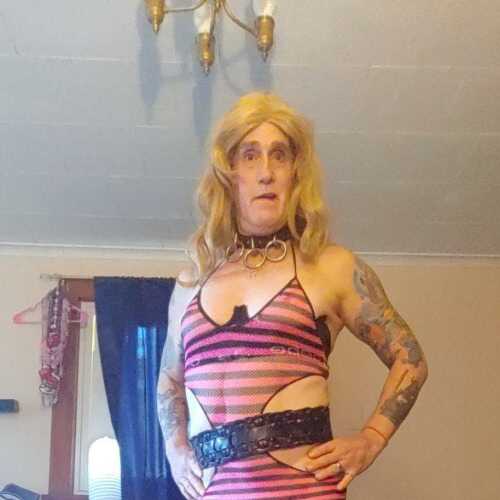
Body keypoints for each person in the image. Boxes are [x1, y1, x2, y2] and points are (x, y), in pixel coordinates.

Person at [157, 92, 429, 499]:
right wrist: (175, 448)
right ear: (229, 173)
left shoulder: (330, 266)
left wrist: (371, 438)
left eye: (279, 155)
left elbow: (411, 359)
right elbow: (169, 379)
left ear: (295, 174)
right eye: (250, 155)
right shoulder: (191, 283)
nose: (266, 172)